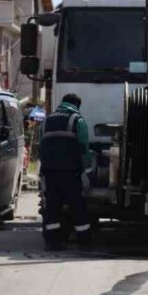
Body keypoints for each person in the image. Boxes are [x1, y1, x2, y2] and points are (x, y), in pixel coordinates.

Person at [38, 93, 93, 251]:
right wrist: (87, 171)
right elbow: (83, 147)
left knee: (52, 206)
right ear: (77, 105)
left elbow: (41, 146)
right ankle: (84, 241)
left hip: (49, 172)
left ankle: (52, 242)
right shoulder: (76, 119)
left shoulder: (47, 120)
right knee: (77, 205)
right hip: (70, 172)